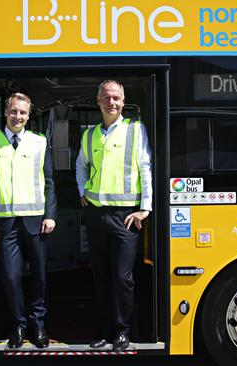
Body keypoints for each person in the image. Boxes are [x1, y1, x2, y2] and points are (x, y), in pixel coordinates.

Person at [75, 80, 153, 351]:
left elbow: (146, 168)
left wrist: (146, 208)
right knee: (101, 276)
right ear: (98, 101)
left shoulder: (135, 129)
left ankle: (122, 331)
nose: (112, 102)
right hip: (96, 215)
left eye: (116, 97)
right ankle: (106, 330)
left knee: (122, 277)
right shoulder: (89, 135)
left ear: (123, 101)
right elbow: (80, 165)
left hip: (126, 216)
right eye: (106, 97)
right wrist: (82, 189)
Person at [0, 92, 56, 349]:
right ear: (5, 111)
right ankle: (19, 324)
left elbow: (49, 182)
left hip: (36, 221)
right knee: (11, 277)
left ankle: (38, 325)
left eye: (23, 113)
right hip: (5, 223)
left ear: (28, 114)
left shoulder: (39, 142)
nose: (18, 117)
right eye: (14, 111)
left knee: (39, 277)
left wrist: (51, 215)